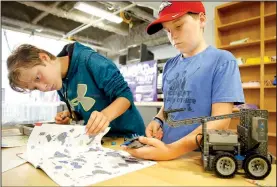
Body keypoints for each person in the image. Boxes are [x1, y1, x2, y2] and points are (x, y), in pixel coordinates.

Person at [123, 1, 245, 160]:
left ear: (201, 20)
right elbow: (171, 102)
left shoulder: (222, 61)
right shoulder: (170, 65)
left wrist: (171, 151)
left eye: (178, 26)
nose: (172, 36)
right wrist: (158, 119)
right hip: (164, 152)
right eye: (167, 30)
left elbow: (220, 121)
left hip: (198, 158)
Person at [6, 42, 145, 138]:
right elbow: (84, 109)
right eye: (35, 88)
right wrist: (71, 114)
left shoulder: (90, 61)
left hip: (128, 135)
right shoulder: (58, 83)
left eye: (37, 77)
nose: (43, 87)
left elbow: (125, 96)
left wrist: (105, 115)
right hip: (101, 139)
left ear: (44, 58)